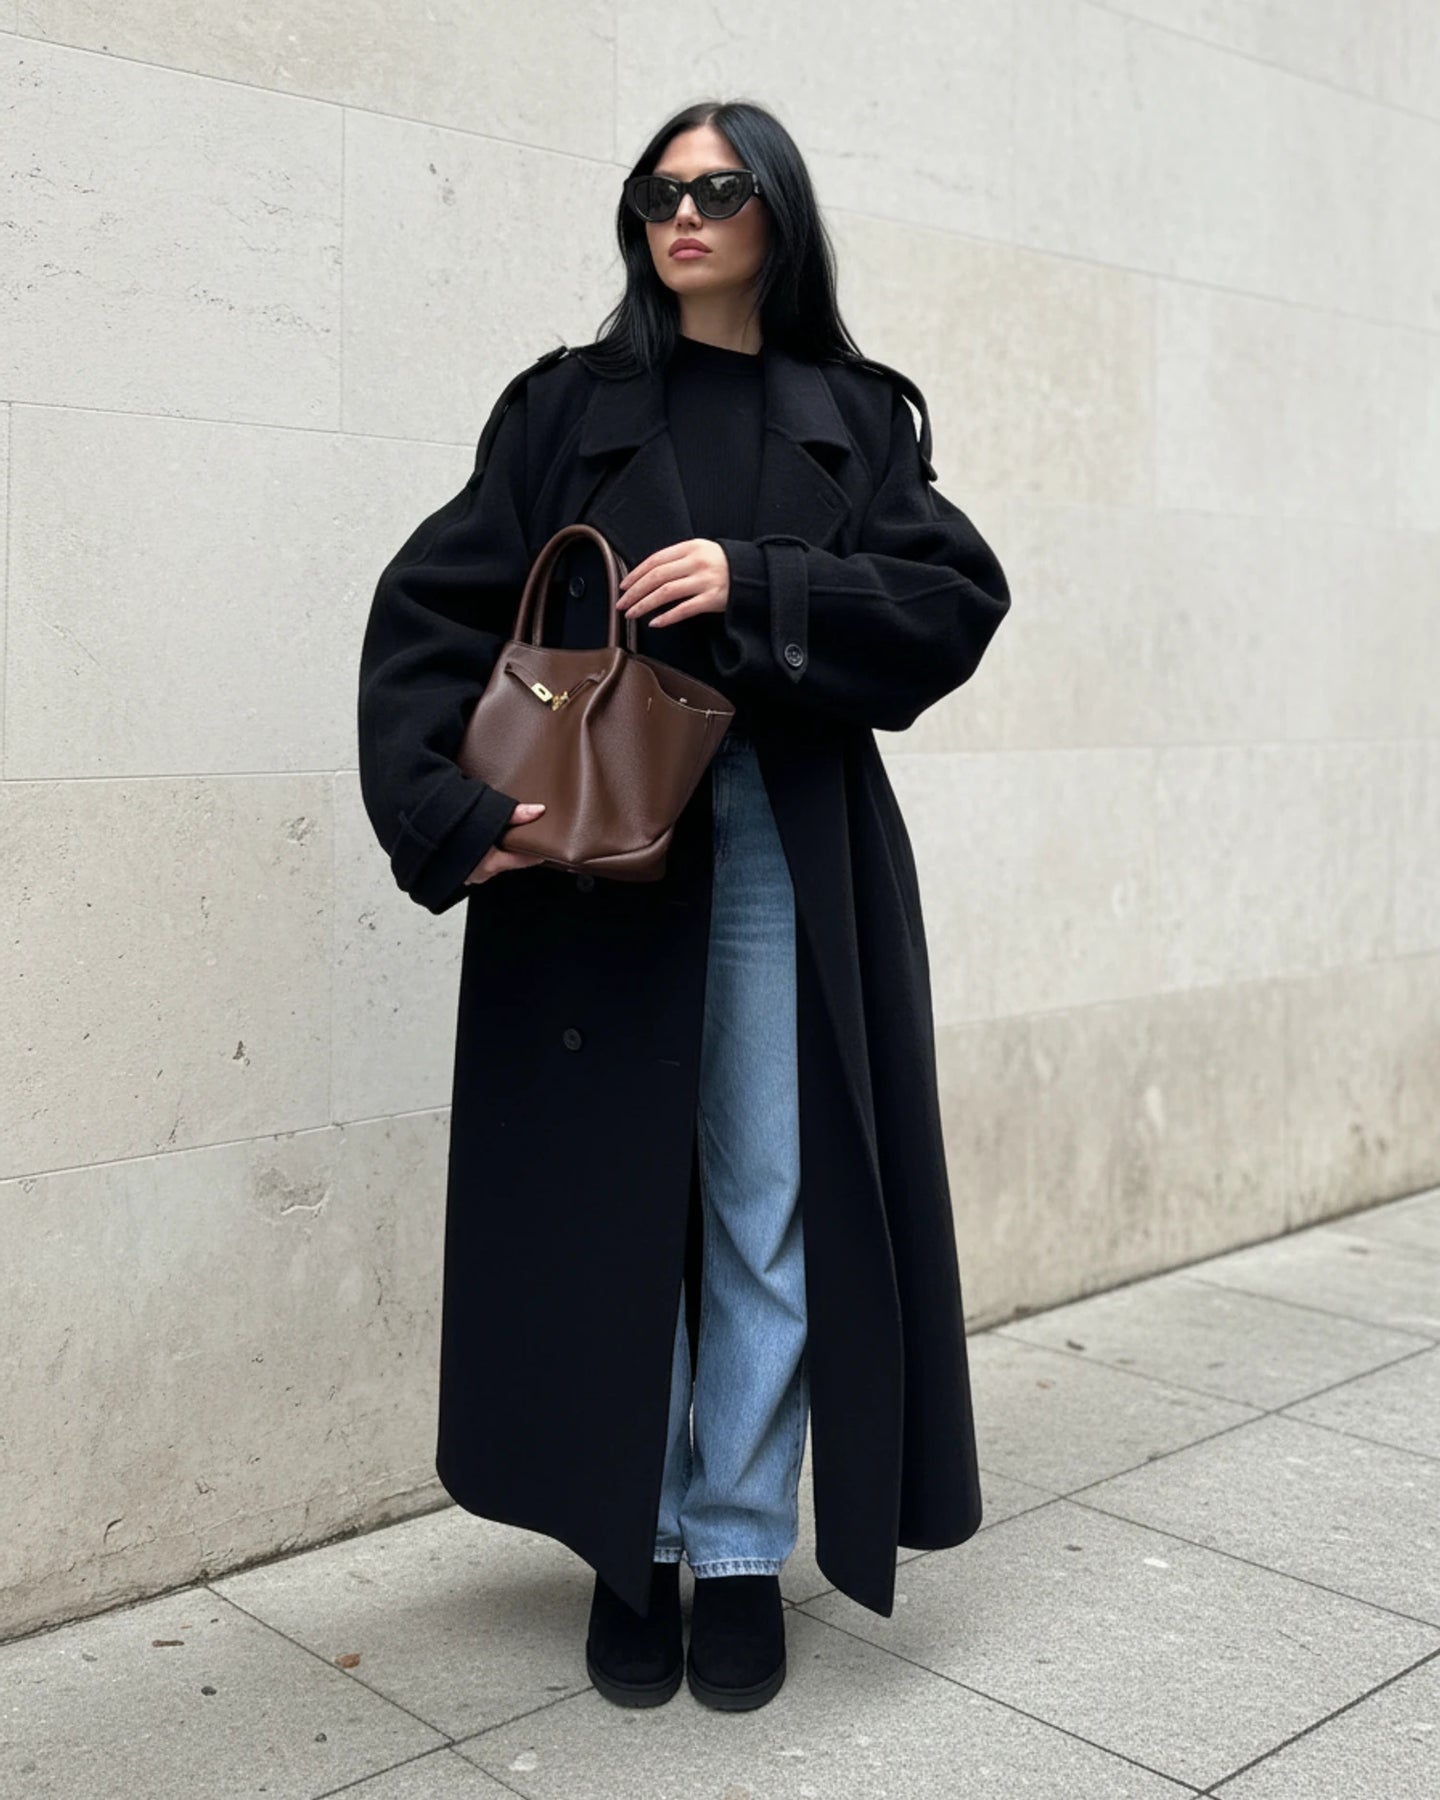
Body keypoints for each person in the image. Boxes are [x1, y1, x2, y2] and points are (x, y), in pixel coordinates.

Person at [356, 100, 1011, 1716]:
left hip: (785, 840)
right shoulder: (563, 406)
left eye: (718, 187)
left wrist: (761, 580)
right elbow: (433, 605)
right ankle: (631, 1540)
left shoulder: (856, 415)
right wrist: (445, 813)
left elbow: (951, 602)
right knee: (614, 1202)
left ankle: (733, 1549)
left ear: (777, 209)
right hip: (594, 855)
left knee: (767, 1197)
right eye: (659, 192)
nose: (685, 215)